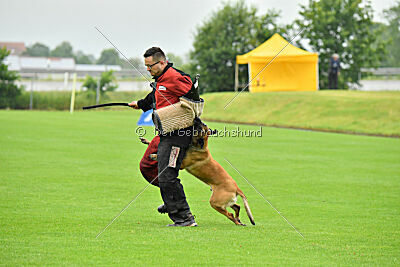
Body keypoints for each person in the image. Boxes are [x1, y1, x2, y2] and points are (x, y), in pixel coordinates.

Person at [129, 47, 197, 227]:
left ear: (162, 62)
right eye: (146, 67)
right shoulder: (160, 80)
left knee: (167, 175)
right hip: (165, 133)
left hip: (179, 134)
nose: (148, 70)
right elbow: (156, 95)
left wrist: (194, 124)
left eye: (150, 66)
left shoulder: (175, 77)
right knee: (148, 166)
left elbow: (193, 96)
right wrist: (141, 104)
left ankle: (184, 218)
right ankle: (173, 201)